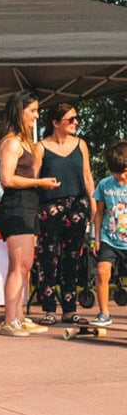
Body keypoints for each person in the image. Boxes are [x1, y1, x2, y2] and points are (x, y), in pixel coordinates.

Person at [0, 91, 60, 337]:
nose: (36, 115)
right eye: (32, 110)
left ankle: (19, 316)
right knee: (18, 265)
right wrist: (39, 182)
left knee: (25, 265)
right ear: (19, 112)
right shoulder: (11, 142)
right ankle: (10, 319)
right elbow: (7, 179)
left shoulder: (24, 142)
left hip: (27, 207)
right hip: (16, 208)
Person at [33, 102, 96, 325]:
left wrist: (93, 202)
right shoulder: (40, 147)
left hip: (78, 205)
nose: (76, 122)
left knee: (73, 258)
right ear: (55, 123)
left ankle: (70, 309)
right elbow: (34, 179)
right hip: (50, 207)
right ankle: (49, 309)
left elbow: (87, 176)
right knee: (48, 258)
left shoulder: (81, 145)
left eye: (76, 118)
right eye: (71, 119)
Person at [92, 139, 127, 325]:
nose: (119, 179)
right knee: (102, 271)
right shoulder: (105, 185)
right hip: (109, 239)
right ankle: (104, 313)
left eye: (122, 174)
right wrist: (96, 238)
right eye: (115, 175)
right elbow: (99, 214)